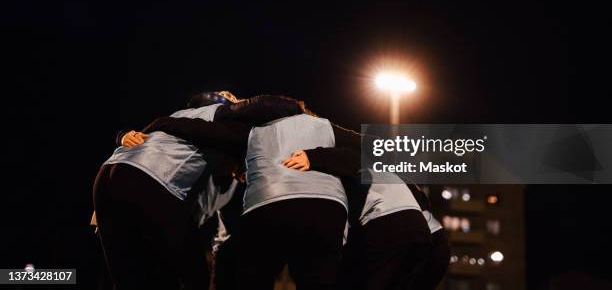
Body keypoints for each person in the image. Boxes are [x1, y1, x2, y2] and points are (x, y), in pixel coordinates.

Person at [94, 92, 304, 289]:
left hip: (108, 177)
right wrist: (300, 112)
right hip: (148, 180)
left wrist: (123, 136)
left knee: (131, 277)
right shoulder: (214, 116)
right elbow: (261, 107)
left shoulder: (181, 125)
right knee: (193, 275)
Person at [282, 125, 449, 290]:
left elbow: (348, 157)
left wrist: (312, 157)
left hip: (391, 226)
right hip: (427, 239)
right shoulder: (394, 176)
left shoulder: (360, 165)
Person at [238, 113, 349, 290]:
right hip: (327, 205)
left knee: (251, 277)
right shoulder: (325, 125)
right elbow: (373, 147)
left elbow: (209, 135)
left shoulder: (254, 126)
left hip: (269, 200)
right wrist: (318, 157)